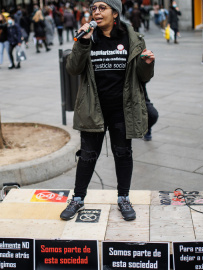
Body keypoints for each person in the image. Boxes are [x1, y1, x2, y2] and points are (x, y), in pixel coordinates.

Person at [61, 0, 155, 222]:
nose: (96, 12)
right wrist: (83, 42)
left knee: (123, 153)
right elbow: (73, 69)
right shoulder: (89, 37)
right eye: (93, 8)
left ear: (115, 13)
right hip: (94, 108)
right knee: (87, 156)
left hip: (123, 109)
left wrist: (147, 63)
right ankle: (78, 198)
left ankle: (123, 198)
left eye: (102, 8)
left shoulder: (133, 39)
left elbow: (143, 77)